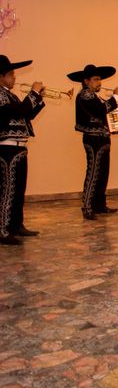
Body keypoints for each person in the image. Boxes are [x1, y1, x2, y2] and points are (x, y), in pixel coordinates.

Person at [68, 64, 118, 220]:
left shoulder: (94, 96)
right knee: (93, 172)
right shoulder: (85, 95)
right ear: (86, 81)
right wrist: (116, 97)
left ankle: (99, 204)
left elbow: (103, 113)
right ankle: (87, 206)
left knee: (103, 172)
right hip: (93, 139)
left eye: (100, 79)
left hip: (103, 138)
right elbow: (101, 110)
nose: (99, 83)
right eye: (96, 80)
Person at [0, 55, 45, 245]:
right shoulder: (0, 95)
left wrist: (38, 98)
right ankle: (3, 230)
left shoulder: (10, 94)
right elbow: (17, 111)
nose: (14, 78)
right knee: (8, 190)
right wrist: (33, 93)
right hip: (7, 148)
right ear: (1, 76)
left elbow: (26, 114)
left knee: (19, 189)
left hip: (20, 148)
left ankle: (17, 224)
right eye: (11, 75)